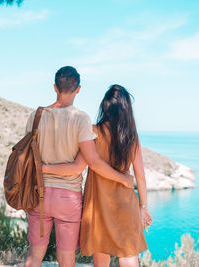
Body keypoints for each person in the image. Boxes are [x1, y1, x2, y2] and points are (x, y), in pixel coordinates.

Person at [24, 67, 134, 267]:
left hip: (38, 194)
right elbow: (84, 165)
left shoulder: (35, 116)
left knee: (34, 257)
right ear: (79, 89)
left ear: (55, 87)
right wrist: (124, 179)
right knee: (67, 260)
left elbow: (30, 160)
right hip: (68, 198)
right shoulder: (81, 119)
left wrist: (42, 170)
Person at [43, 84, 153, 267]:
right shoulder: (131, 137)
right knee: (128, 254)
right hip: (126, 202)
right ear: (127, 109)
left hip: (98, 204)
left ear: (105, 107)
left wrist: (44, 168)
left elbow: (80, 165)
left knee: (101, 254)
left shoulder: (93, 132)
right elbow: (140, 176)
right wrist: (143, 206)